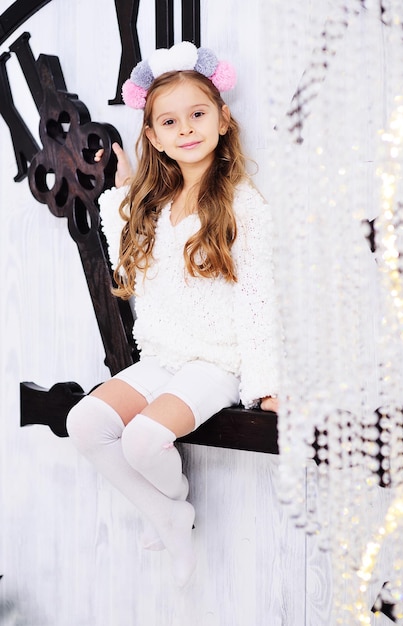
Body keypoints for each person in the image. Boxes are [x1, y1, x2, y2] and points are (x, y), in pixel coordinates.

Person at [66, 41, 280, 587]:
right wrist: (123, 191)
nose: (186, 128)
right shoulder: (155, 208)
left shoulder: (241, 205)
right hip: (163, 356)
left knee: (142, 440)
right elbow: (130, 260)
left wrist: (265, 386)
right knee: (83, 421)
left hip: (215, 363)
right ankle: (168, 512)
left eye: (198, 114)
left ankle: (171, 510)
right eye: (170, 121)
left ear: (223, 120)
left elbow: (259, 300)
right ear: (155, 138)